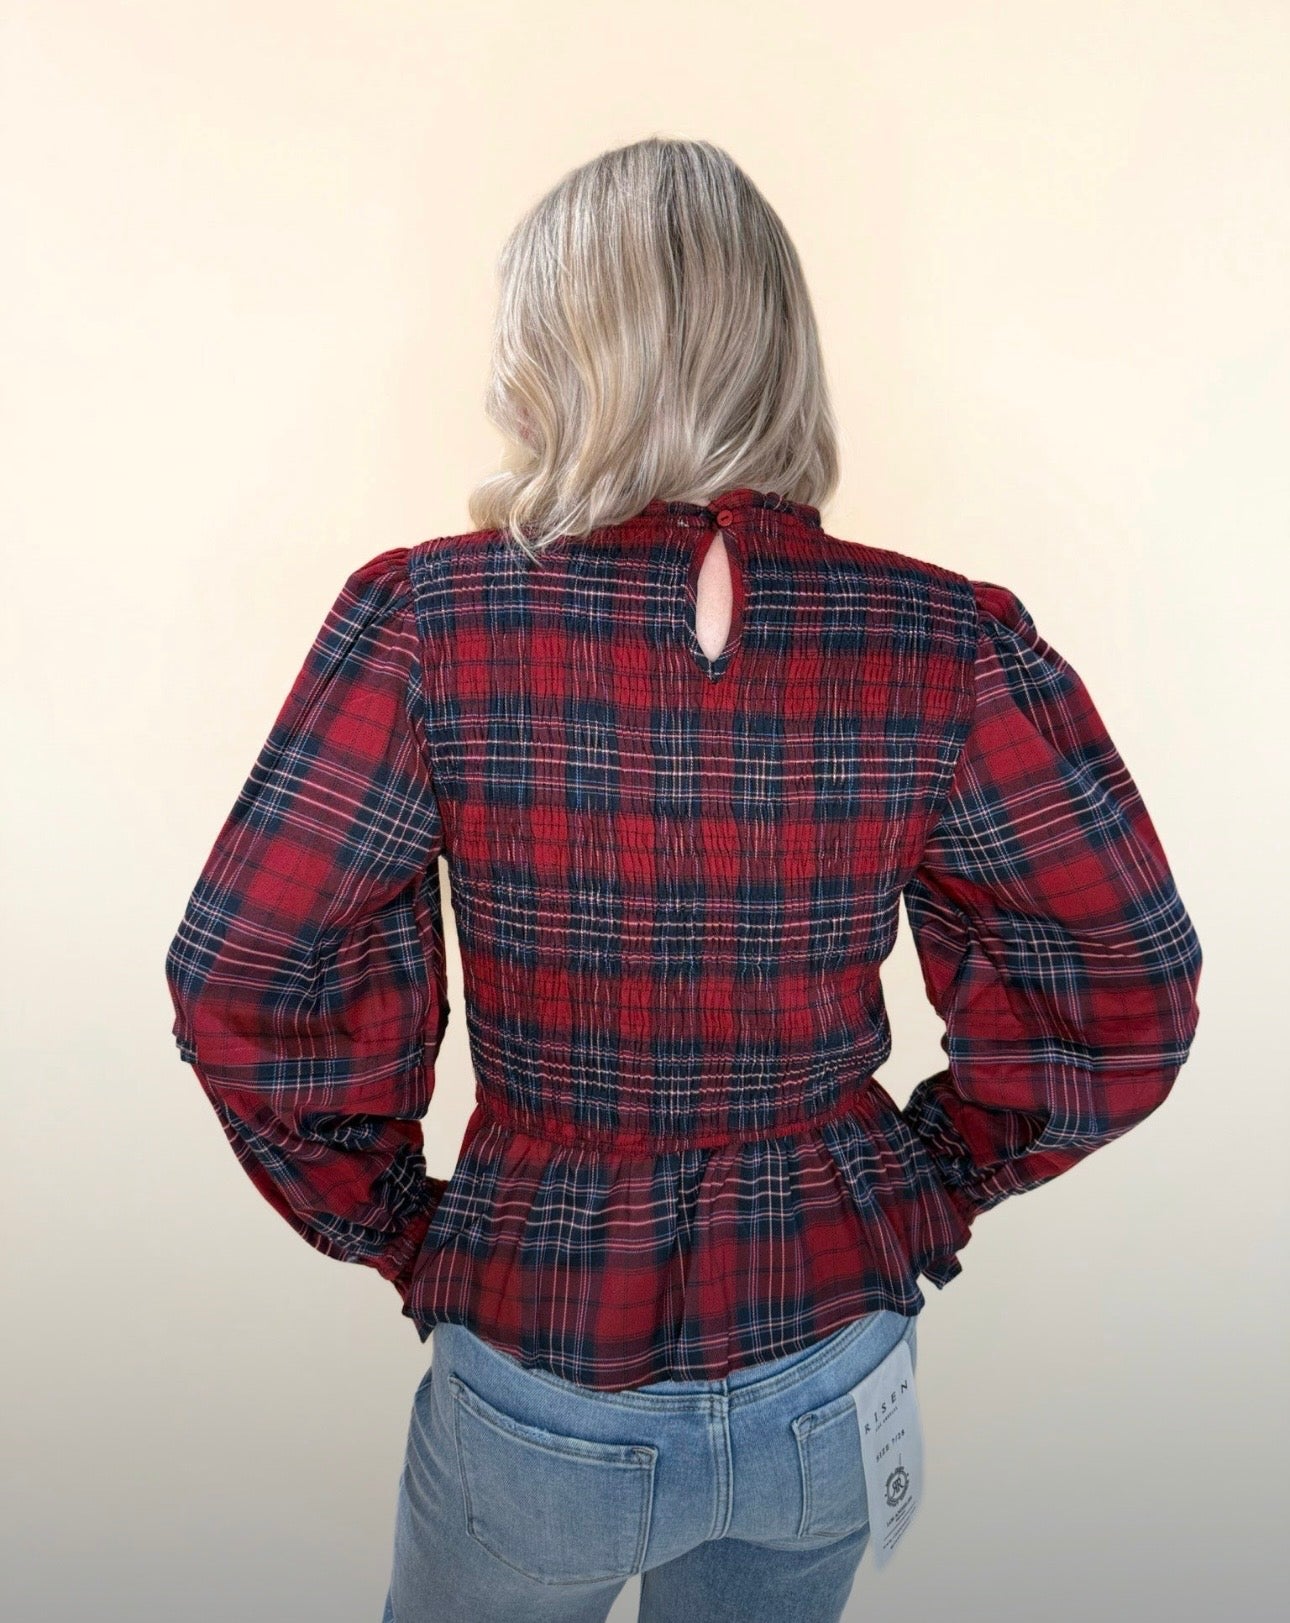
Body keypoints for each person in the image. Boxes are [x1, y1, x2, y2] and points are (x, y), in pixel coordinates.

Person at [164, 137, 1203, 1623]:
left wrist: (397, 1221)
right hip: (833, 1364)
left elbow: (248, 976)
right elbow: (1126, 984)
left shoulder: (428, 621)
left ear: (557, 348)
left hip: (539, 1362)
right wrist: (931, 1178)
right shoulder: (945, 637)